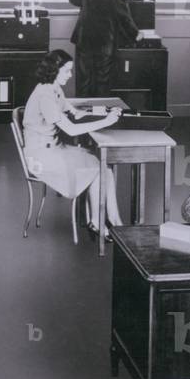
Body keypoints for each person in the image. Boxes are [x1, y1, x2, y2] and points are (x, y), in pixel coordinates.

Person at [23, 50, 124, 241]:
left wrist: (107, 112)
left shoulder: (53, 89)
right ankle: (98, 222)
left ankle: (114, 221)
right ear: (55, 70)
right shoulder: (45, 95)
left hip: (53, 149)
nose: (70, 76)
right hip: (41, 158)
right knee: (97, 167)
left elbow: (76, 113)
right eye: (67, 71)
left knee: (105, 168)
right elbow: (71, 130)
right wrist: (106, 122)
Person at [68, 0, 142, 97]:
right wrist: (137, 33)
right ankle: (100, 115)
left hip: (84, 38)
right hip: (104, 43)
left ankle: (81, 116)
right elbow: (124, 17)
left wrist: (90, 4)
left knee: (83, 81)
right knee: (102, 82)